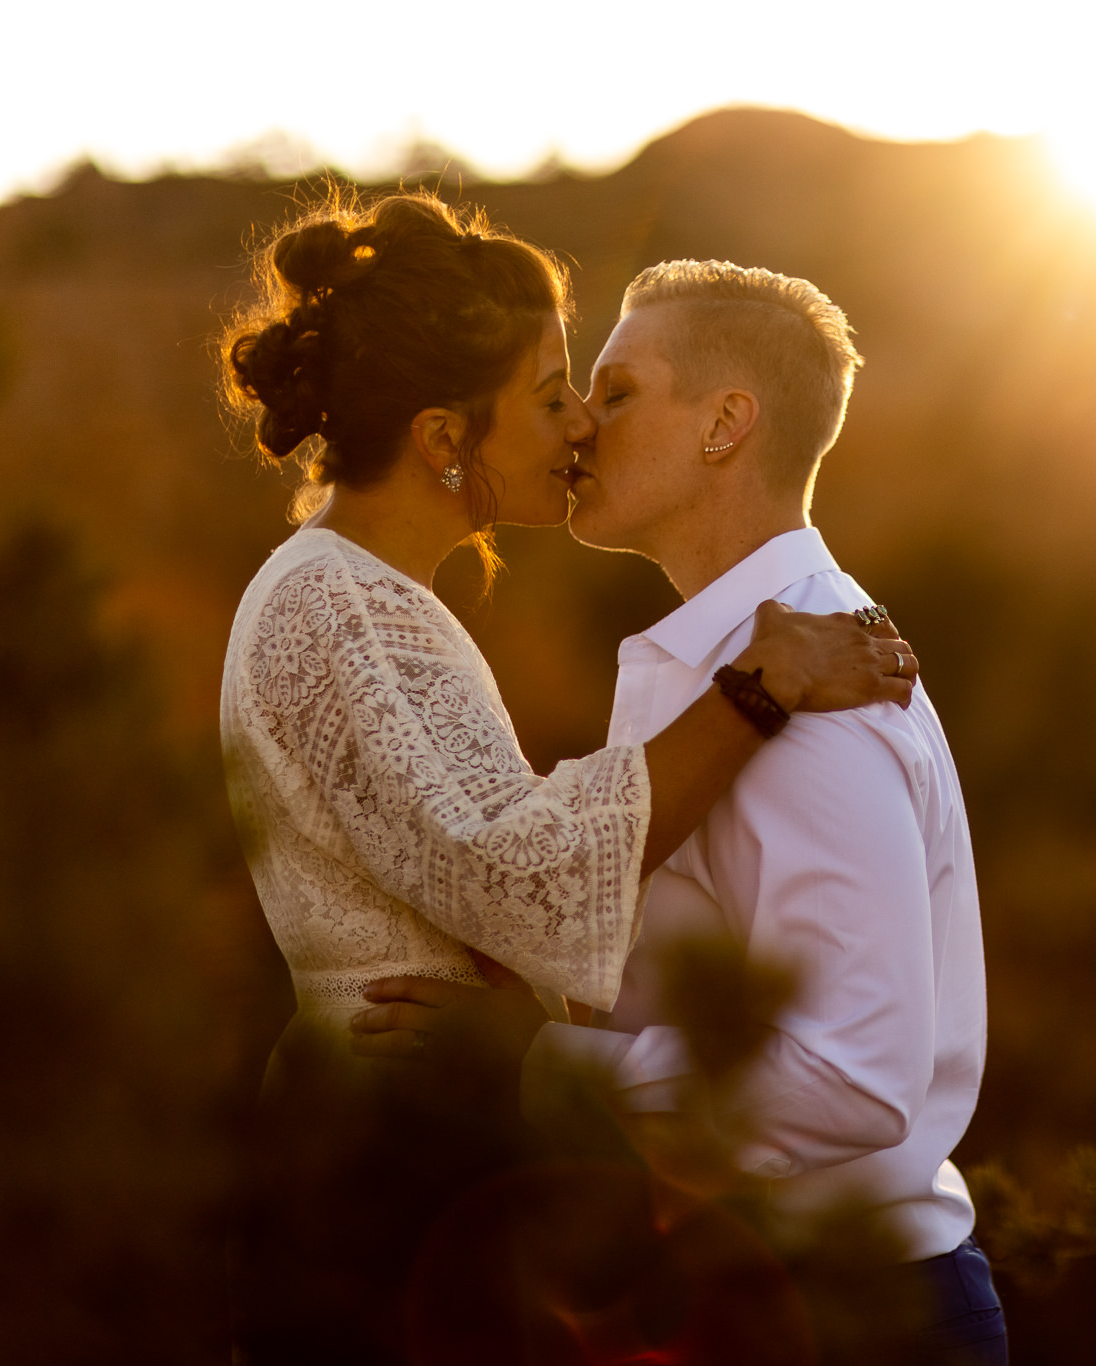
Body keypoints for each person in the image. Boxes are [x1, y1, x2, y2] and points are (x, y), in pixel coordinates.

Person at [218, 194, 918, 1365]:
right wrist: (757, 684)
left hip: (423, 1159)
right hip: (380, 1175)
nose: (581, 423)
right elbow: (515, 880)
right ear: (445, 438)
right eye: (551, 396)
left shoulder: (369, 598)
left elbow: (474, 870)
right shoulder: (337, 609)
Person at [358, 260, 1004, 1363]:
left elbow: (854, 1075)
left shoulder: (825, 696)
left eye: (615, 393)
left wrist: (542, 1064)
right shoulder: (740, 665)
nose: (576, 425)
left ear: (723, 425)